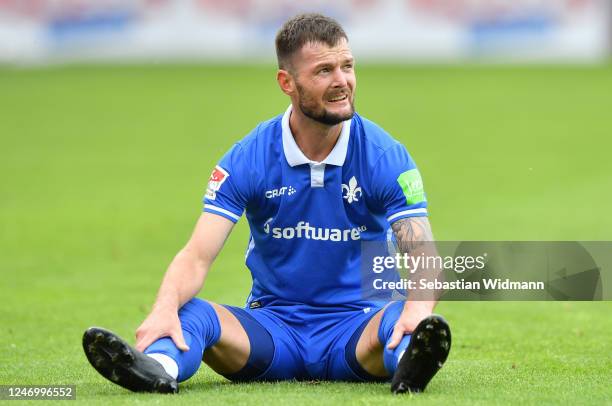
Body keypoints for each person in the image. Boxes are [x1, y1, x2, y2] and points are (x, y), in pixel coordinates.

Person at [82, 13, 451, 395]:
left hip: (358, 329)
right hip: (274, 331)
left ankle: (410, 364)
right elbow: (196, 256)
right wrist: (162, 308)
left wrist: (418, 309)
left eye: (347, 66)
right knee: (190, 313)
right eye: (324, 70)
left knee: (403, 319)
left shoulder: (384, 156)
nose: (342, 81)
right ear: (286, 82)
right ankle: (156, 369)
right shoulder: (249, 157)